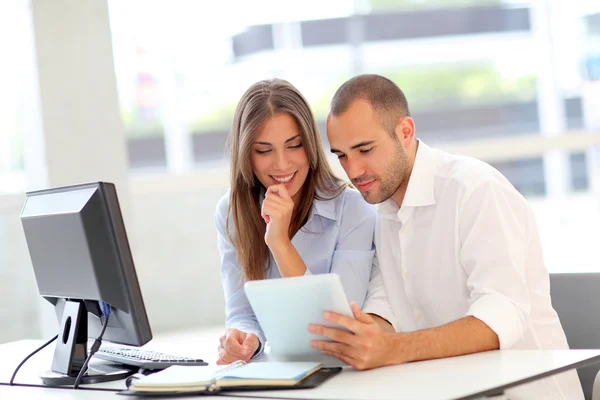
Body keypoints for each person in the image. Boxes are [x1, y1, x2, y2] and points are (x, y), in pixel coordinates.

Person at [309, 74, 584, 399]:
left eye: (365, 149)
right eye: (341, 155)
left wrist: (393, 348)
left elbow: (501, 312)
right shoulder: (384, 211)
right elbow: (388, 302)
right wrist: (363, 335)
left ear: (405, 132)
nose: (353, 171)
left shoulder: (475, 189)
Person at [214, 78, 394, 365]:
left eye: (294, 145)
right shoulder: (231, 213)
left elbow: (338, 327)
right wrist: (243, 338)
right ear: (246, 154)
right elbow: (243, 312)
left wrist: (280, 243)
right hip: (281, 372)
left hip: (344, 374)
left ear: (310, 145)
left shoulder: (353, 210)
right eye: (264, 150)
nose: (282, 164)